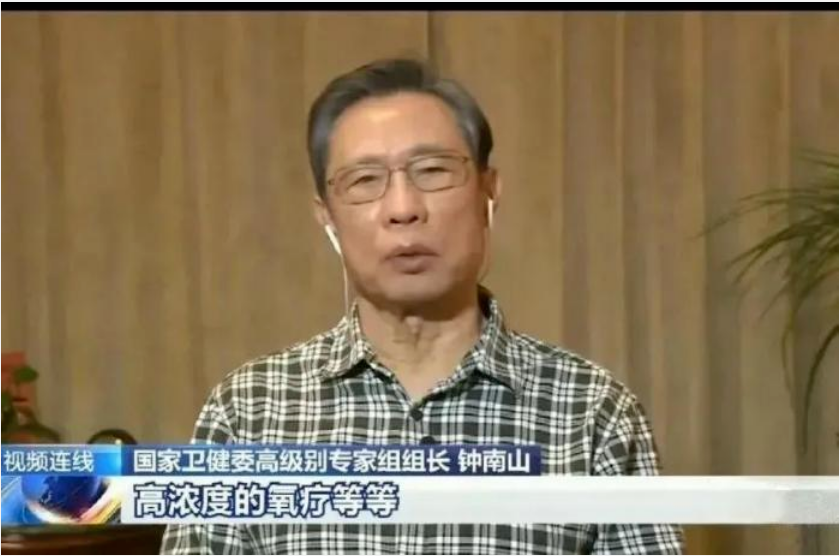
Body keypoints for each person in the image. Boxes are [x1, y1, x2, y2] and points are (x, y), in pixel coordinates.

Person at [161, 58, 684, 555]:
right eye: (365, 181)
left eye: (432, 171)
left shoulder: (593, 412)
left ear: (488, 192)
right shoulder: (248, 413)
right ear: (327, 216)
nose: (403, 208)